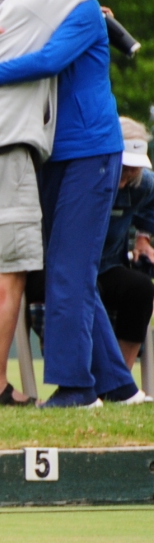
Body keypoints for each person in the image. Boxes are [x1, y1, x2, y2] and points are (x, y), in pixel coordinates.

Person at [0, 0, 141, 407]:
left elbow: (50, 61)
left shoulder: (82, 10)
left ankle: (77, 388)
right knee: (67, 270)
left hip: (88, 151)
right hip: (56, 154)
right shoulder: (30, 9)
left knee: (68, 271)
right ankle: (118, 387)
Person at [96, 118, 154, 374]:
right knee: (86, 294)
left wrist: (143, 238)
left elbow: (150, 207)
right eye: (123, 168)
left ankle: (120, 378)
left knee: (140, 288)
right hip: (65, 269)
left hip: (108, 265)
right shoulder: (81, 177)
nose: (126, 177)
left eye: (133, 169)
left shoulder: (144, 184)